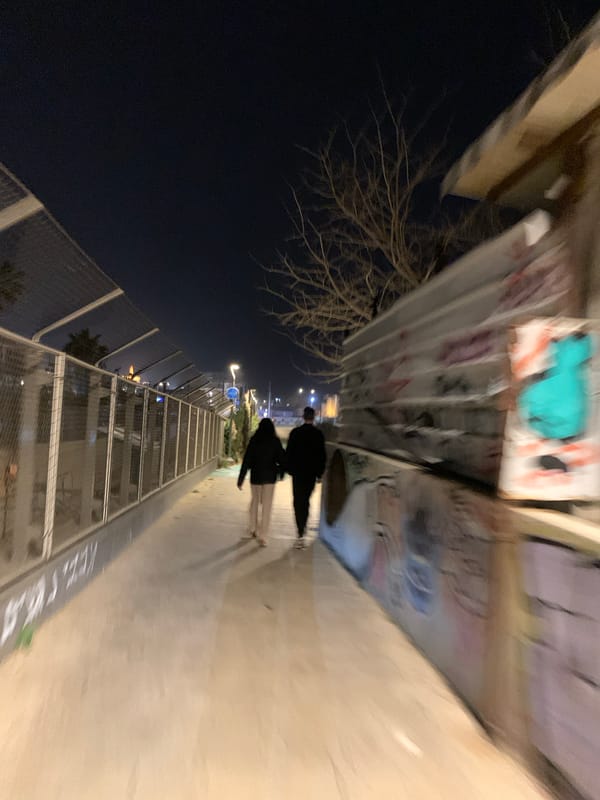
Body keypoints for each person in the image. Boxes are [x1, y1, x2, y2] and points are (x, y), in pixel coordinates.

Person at [237, 418, 285, 547]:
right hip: (270, 477)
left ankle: (253, 528)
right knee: (267, 506)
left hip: (256, 476)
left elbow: (247, 460)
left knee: (255, 501)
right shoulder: (275, 441)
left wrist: (241, 478)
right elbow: (282, 458)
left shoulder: (254, 440)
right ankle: (263, 536)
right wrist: (280, 472)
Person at [285, 406, 327, 549]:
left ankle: (300, 530)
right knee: (306, 500)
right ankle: (303, 527)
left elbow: (289, 453)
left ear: (303, 417)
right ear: (313, 417)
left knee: (298, 501)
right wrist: (319, 474)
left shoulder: (296, 433)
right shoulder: (318, 435)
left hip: (298, 474)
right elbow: (322, 456)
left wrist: (289, 470)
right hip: (311, 475)